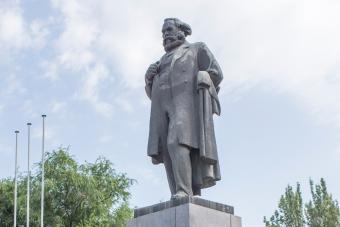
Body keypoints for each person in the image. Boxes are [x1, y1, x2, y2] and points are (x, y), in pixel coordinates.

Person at [145, 18, 223, 199]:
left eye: (169, 30)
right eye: (163, 33)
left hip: (186, 106)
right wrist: (148, 79)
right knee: (167, 149)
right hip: (162, 110)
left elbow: (217, 72)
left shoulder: (196, 49)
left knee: (177, 141)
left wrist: (205, 76)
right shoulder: (160, 61)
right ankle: (181, 192)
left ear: (181, 31)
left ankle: (184, 190)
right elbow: (152, 94)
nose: (166, 35)